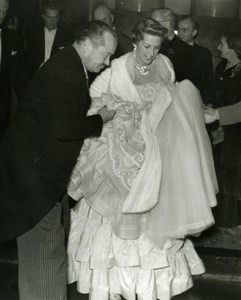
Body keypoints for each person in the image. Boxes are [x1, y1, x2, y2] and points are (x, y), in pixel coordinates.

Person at [67, 17, 218, 300]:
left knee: (157, 211)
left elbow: (171, 105)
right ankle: (114, 284)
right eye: (146, 46)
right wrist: (125, 114)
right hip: (121, 150)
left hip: (156, 149)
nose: (151, 53)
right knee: (118, 214)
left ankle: (151, 284)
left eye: (157, 47)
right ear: (135, 42)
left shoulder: (166, 66)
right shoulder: (117, 67)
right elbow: (94, 98)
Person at [0, 20, 117, 300]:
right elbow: (64, 128)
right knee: (48, 255)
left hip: (29, 174)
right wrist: (101, 118)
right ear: (88, 44)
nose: (108, 61)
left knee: (39, 254)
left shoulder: (67, 63)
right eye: (106, 54)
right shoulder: (66, 71)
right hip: (36, 183)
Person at [204, 32, 241, 228]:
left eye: (222, 44)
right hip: (217, 124)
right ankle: (217, 216)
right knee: (217, 166)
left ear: (233, 47)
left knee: (231, 170)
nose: (218, 48)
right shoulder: (221, 66)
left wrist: (218, 113)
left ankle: (231, 219)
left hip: (235, 130)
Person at [25, 0, 74, 79]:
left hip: (57, 77)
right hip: (36, 76)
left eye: (55, 18)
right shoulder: (33, 35)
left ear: (59, 17)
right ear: (43, 16)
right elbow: (28, 59)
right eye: (49, 17)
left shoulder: (67, 37)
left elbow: (69, 62)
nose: (52, 21)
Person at [0, 0, 25, 140]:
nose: (1, 16)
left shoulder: (11, 36)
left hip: (3, 102)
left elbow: (19, 73)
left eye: (4, 12)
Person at [177, 15, 213, 104]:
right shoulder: (168, 50)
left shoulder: (204, 54)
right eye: (178, 30)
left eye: (184, 30)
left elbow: (207, 83)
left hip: (193, 101)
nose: (179, 34)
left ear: (194, 32)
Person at [150, 8, 193, 82]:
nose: (150, 26)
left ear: (167, 23)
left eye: (153, 22)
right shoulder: (150, 45)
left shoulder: (186, 51)